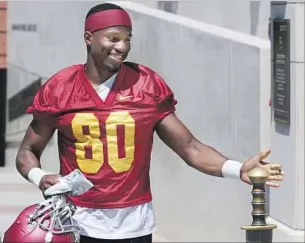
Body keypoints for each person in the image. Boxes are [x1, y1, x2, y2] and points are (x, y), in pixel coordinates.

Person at [15, 3, 284, 243]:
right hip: (77, 222)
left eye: (127, 39)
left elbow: (190, 148)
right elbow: (27, 152)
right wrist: (41, 177)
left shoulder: (145, 85)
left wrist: (238, 169)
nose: (122, 47)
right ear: (89, 38)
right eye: (113, 38)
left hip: (135, 225)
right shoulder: (61, 88)